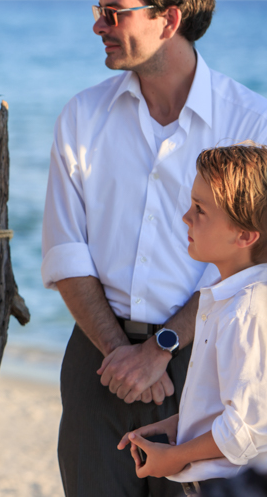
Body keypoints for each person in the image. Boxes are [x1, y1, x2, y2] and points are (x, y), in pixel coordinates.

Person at [41, 0, 267, 497]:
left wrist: (158, 349)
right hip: (98, 364)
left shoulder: (252, 124)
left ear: (169, 20)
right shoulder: (82, 115)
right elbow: (65, 250)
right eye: (99, 11)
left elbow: (253, 263)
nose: (99, 25)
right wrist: (121, 353)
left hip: (210, 364)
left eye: (113, 12)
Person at [118, 145, 267, 496]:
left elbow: (249, 428)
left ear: (244, 236)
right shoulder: (225, 297)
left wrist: (177, 457)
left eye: (200, 210)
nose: (186, 217)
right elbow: (231, 405)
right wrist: (178, 426)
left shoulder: (245, 309)